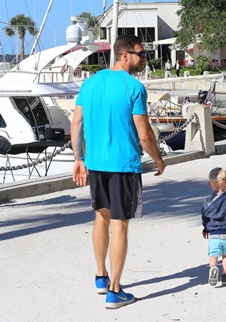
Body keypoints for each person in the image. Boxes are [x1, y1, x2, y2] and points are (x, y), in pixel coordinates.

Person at [71, 35, 166, 310]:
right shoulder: (134, 87)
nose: (144, 58)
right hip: (123, 165)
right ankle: (114, 291)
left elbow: (76, 124)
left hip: (96, 164)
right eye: (141, 54)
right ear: (124, 55)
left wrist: (79, 159)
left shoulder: (89, 84)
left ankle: (101, 277)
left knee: (100, 218)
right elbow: (145, 134)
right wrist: (158, 159)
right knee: (119, 224)